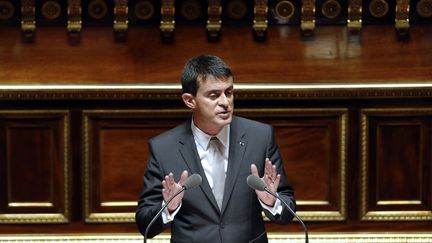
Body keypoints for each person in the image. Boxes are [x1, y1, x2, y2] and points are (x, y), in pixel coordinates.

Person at [136, 55, 296, 243]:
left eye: (228, 92)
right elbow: (144, 223)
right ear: (190, 101)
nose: (225, 102)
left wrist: (271, 201)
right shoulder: (164, 148)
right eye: (214, 95)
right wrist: (168, 207)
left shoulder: (260, 137)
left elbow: (288, 212)